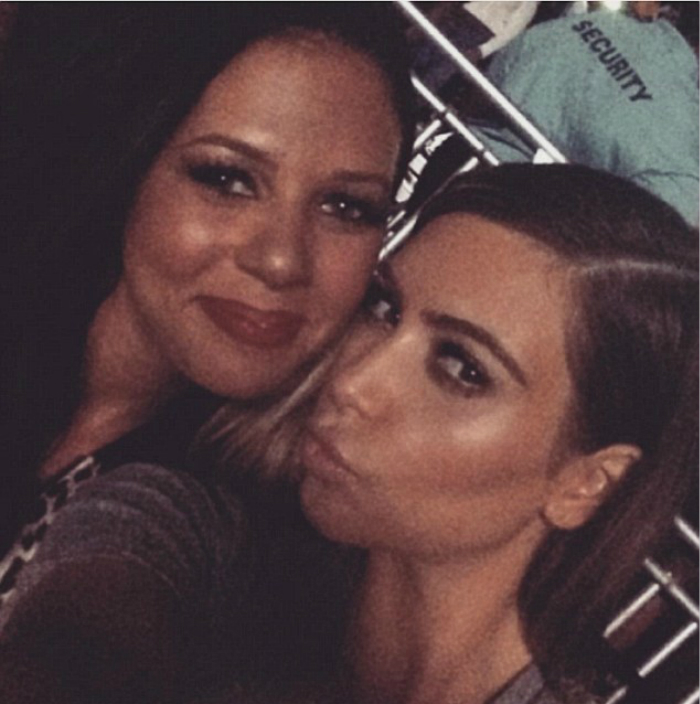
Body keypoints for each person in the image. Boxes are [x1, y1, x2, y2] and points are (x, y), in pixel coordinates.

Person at [1, 164, 695, 704]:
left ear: (587, 484)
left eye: (461, 368)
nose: (353, 382)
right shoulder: (200, 544)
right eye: (385, 308)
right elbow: (89, 623)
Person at [0, 3, 414, 551]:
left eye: (346, 207)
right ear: (134, 161)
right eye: (227, 179)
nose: (281, 261)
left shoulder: (245, 533)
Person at [464, 1, 699, 225]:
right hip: (519, 217)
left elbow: (497, 74)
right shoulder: (679, 142)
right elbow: (661, 224)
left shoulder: (590, 24)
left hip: (466, 153)